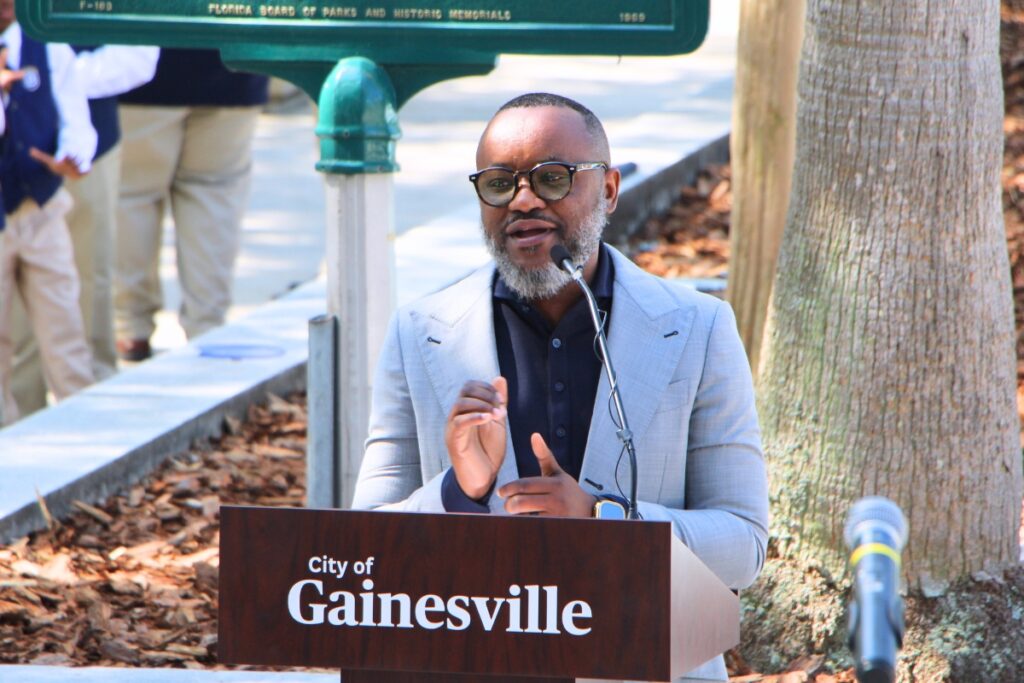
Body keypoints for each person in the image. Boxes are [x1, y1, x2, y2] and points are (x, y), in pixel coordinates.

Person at [351, 92, 769, 682]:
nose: (523, 200)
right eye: (499, 184)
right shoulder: (420, 332)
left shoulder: (698, 327)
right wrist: (460, 493)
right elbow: (363, 549)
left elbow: (742, 545)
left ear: (609, 189)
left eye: (552, 178)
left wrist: (604, 522)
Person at [9, 44, 158, 416]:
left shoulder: (54, 55)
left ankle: (88, 423)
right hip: (9, 175)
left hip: (79, 152)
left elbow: (137, 55)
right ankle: (17, 423)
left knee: (81, 293)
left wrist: (51, 79)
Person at [113, 48, 269, 361]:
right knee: (215, 199)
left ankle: (131, 326)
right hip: (234, 60)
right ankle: (207, 324)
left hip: (140, 64)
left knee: (132, 199)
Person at [0, 0, 97, 424]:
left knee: (64, 331)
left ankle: (83, 435)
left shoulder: (48, 47)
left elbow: (77, 118)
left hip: (41, 209)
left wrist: (72, 156)